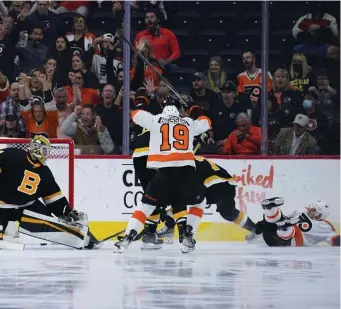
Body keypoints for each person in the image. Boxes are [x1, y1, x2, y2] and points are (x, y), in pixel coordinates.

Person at [114, 96, 211, 253]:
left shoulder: (155, 120)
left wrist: (144, 104)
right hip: (186, 173)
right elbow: (207, 123)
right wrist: (197, 111)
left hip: (163, 173)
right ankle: (187, 235)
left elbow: (135, 114)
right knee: (196, 202)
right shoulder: (188, 123)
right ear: (179, 111)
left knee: (145, 206)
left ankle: (128, 237)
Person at [0, 135, 94, 250]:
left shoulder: (45, 173)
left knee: (53, 226)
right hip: (1, 207)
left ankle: (86, 239)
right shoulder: (12, 155)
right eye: (44, 150)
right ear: (35, 147)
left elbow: (54, 198)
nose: (46, 154)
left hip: (27, 207)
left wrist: (68, 212)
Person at [254, 197, 340, 247]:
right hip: (274, 232)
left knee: (289, 229)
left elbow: (334, 238)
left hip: (288, 241)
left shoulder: (325, 226)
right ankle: (270, 208)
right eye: (312, 208)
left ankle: (284, 226)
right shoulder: (301, 211)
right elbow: (284, 217)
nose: (311, 210)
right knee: (277, 218)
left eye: (314, 210)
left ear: (320, 215)